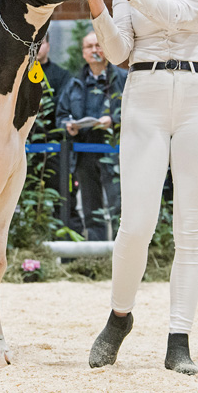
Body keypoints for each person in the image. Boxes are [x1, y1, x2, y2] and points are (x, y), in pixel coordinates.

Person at [84, 0, 198, 375]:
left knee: (191, 228)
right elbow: (120, 53)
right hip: (143, 95)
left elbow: (183, 17)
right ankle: (118, 318)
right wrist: (97, 2)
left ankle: (179, 339)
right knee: (136, 224)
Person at [56, 31, 125, 241]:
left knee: (119, 206)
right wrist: (68, 125)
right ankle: (97, 256)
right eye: (89, 47)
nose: (95, 50)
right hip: (84, 154)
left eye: (99, 45)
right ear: (83, 53)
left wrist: (114, 120)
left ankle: (122, 255)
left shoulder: (122, 79)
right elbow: (60, 115)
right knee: (90, 208)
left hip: (114, 153)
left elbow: (135, 110)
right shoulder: (74, 82)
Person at [29, 33, 82, 236]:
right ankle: (32, 242)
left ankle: (68, 243)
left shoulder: (61, 75)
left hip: (55, 146)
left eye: (41, 43)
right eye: (34, 43)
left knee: (63, 196)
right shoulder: (20, 73)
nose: (38, 47)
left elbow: (62, 107)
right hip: (28, 146)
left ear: (48, 45)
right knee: (30, 196)